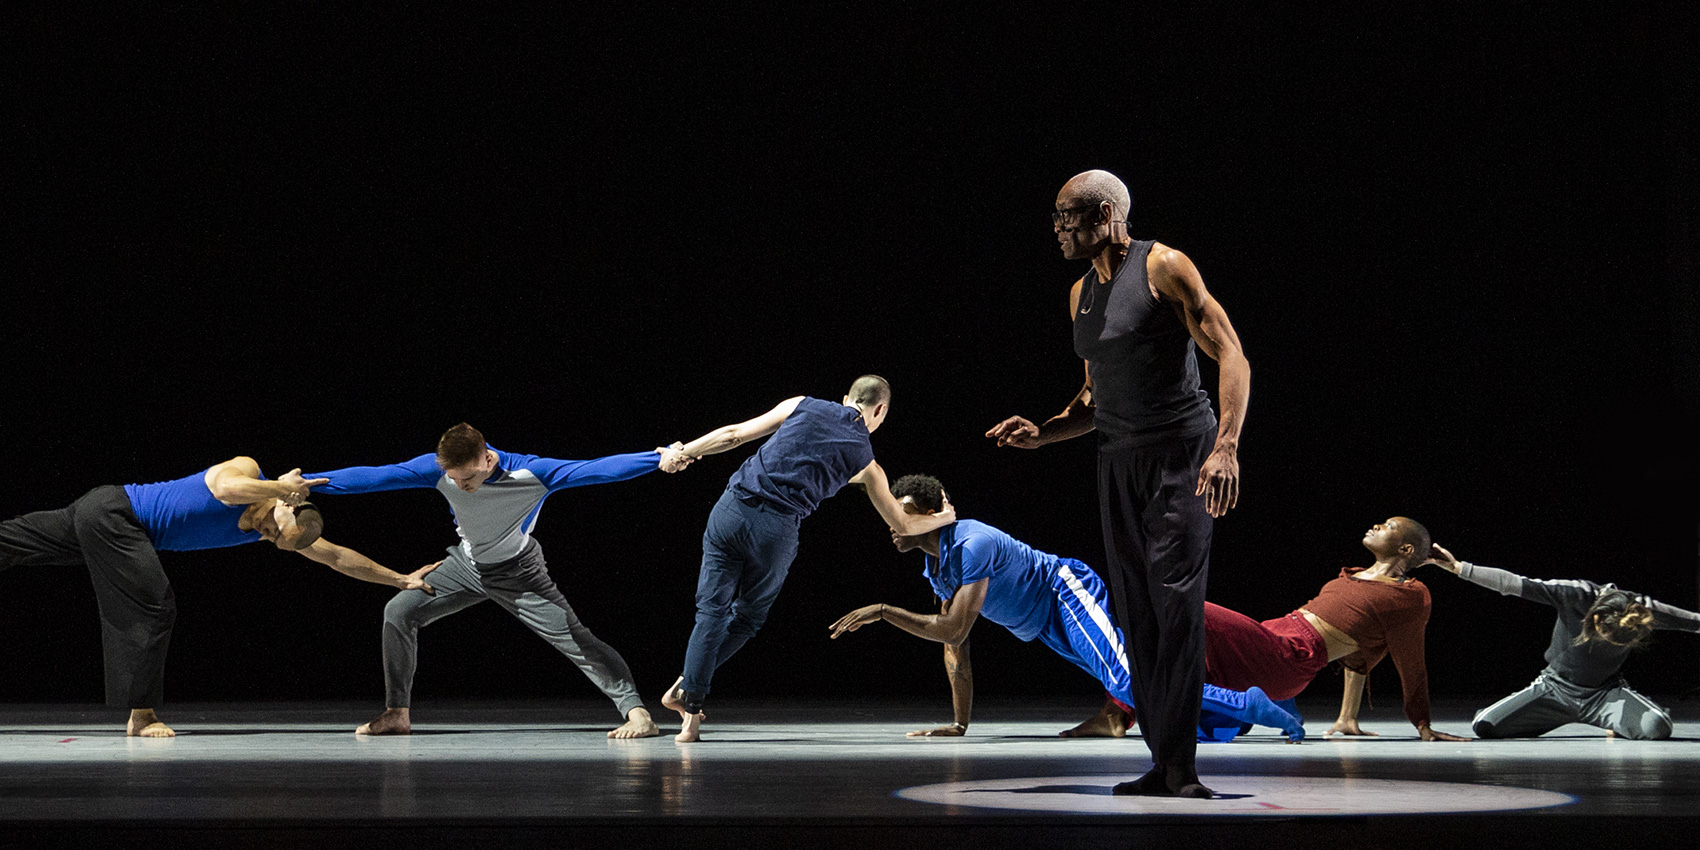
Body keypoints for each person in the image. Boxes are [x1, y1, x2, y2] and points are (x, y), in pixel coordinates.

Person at [986, 169, 1250, 797]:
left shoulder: (1164, 266)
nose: (1057, 229)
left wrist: (1227, 447)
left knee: (1176, 607)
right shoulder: (1080, 294)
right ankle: (1162, 761)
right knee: (1136, 616)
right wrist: (1043, 433)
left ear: (1104, 213)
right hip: (1117, 459)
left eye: (1065, 216)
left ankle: (1183, 768)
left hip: (1181, 455)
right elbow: (1093, 395)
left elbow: (1232, 352)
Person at [827, 475, 1304, 742]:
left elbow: (951, 630)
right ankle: (1235, 713)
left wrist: (885, 612)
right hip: (1044, 626)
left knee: (1124, 679)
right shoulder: (937, 566)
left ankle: (1247, 703)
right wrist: (960, 722)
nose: (892, 521)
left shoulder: (970, 543)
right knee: (1132, 685)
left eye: (901, 510)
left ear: (930, 515)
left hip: (1065, 592)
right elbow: (957, 650)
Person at [0, 457, 437, 737]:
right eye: (273, 531)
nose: (267, 538)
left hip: (106, 520)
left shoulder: (278, 525)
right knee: (154, 606)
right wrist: (280, 488)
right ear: (286, 508)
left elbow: (337, 557)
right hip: (116, 513)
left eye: (276, 542)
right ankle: (142, 715)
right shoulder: (248, 473)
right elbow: (225, 490)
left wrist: (399, 579)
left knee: (16, 542)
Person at [305, 423, 688, 739]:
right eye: (454, 479)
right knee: (399, 611)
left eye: (468, 478)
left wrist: (657, 458)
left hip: (520, 573)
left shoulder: (532, 473)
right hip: (466, 565)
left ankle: (638, 714)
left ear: (488, 459)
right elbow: (376, 477)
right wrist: (300, 484)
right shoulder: (438, 471)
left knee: (575, 639)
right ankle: (397, 713)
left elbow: (596, 469)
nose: (461, 485)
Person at [658, 376, 956, 742]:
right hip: (775, 531)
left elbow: (735, 434)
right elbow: (903, 524)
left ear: (846, 398)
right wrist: (945, 516)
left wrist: (683, 451)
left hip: (730, 511)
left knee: (710, 612)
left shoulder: (801, 403)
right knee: (747, 618)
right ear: (880, 411)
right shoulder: (867, 463)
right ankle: (689, 702)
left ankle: (689, 704)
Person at [1191, 517, 1471, 742]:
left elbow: (1411, 663)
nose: (1376, 525)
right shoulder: (1354, 576)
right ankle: (1267, 707)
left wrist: (1422, 722)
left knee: (1187, 607)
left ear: (1406, 549)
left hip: (1287, 657)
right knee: (1164, 662)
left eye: (1389, 526)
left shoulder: (1408, 596)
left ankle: (1254, 704)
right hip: (1269, 640)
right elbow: (1358, 658)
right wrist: (1347, 718)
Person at [1425, 544, 1697, 740]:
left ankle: (1616, 716)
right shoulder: (1575, 594)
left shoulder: (1643, 610)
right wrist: (1459, 568)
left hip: (1605, 694)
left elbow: (1694, 621)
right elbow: (1514, 584)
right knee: (1484, 725)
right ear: (1596, 617)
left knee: (1658, 727)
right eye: (1604, 635)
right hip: (1554, 689)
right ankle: (1551, 713)